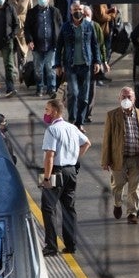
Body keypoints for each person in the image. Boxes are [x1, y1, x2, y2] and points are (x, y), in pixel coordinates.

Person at [39, 99, 91, 256]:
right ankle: (71, 244)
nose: (45, 113)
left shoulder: (52, 130)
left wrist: (46, 178)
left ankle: (51, 246)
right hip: (71, 171)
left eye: (47, 110)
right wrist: (75, 158)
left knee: (48, 208)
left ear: (55, 111)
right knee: (68, 208)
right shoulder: (72, 127)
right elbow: (87, 143)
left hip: (56, 171)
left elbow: (50, 156)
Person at [101, 86, 139, 224]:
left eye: (129, 96)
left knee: (134, 187)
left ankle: (132, 213)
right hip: (118, 157)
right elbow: (107, 139)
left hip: (137, 157)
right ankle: (117, 204)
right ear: (119, 99)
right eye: (123, 97)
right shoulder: (112, 115)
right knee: (117, 185)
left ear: (134, 98)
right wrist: (105, 160)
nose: (126, 99)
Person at [55, 2, 103, 127]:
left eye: (80, 9)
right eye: (75, 9)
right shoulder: (66, 27)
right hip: (71, 66)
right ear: (71, 11)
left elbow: (94, 45)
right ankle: (72, 119)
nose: (78, 11)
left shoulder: (89, 26)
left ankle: (79, 122)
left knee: (84, 96)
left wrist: (97, 61)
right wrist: (58, 65)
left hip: (86, 65)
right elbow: (59, 46)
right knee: (74, 93)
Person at [23, 0, 62, 96]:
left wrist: (59, 41)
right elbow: (27, 28)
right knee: (38, 69)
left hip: (51, 45)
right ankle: (39, 88)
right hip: (37, 46)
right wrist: (29, 40)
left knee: (51, 68)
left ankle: (51, 89)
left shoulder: (55, 11)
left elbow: (60, 26)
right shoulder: (32, 12)